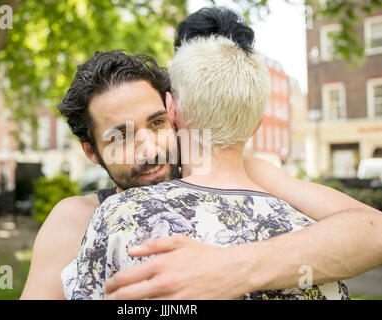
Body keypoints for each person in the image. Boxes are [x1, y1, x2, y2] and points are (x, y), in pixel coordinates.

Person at [20, 9, 382, 300]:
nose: (151, 150)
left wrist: (229, 268)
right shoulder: (76, 220)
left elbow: (372, 230)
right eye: (121, 136)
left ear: (174, 112)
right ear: (91, 151)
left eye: (157, 122)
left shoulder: (252, 173)